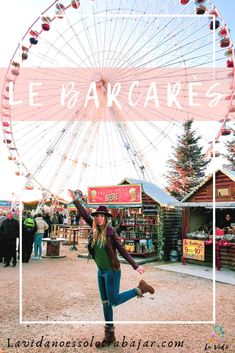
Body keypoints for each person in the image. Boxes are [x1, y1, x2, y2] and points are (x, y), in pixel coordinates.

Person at [68, 190, 155, 346]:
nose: (100, 218)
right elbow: (83, 214)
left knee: (113, 301)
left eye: (102, 216)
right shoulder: (94, 229)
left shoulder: (110, 231)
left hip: (112, 272)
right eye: (98, 216)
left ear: (107, 218)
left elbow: (122, 249)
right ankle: (110, 336)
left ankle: (140, 289)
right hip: (100, 271)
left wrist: (135, 265)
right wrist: (75, 200)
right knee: (106, 303)